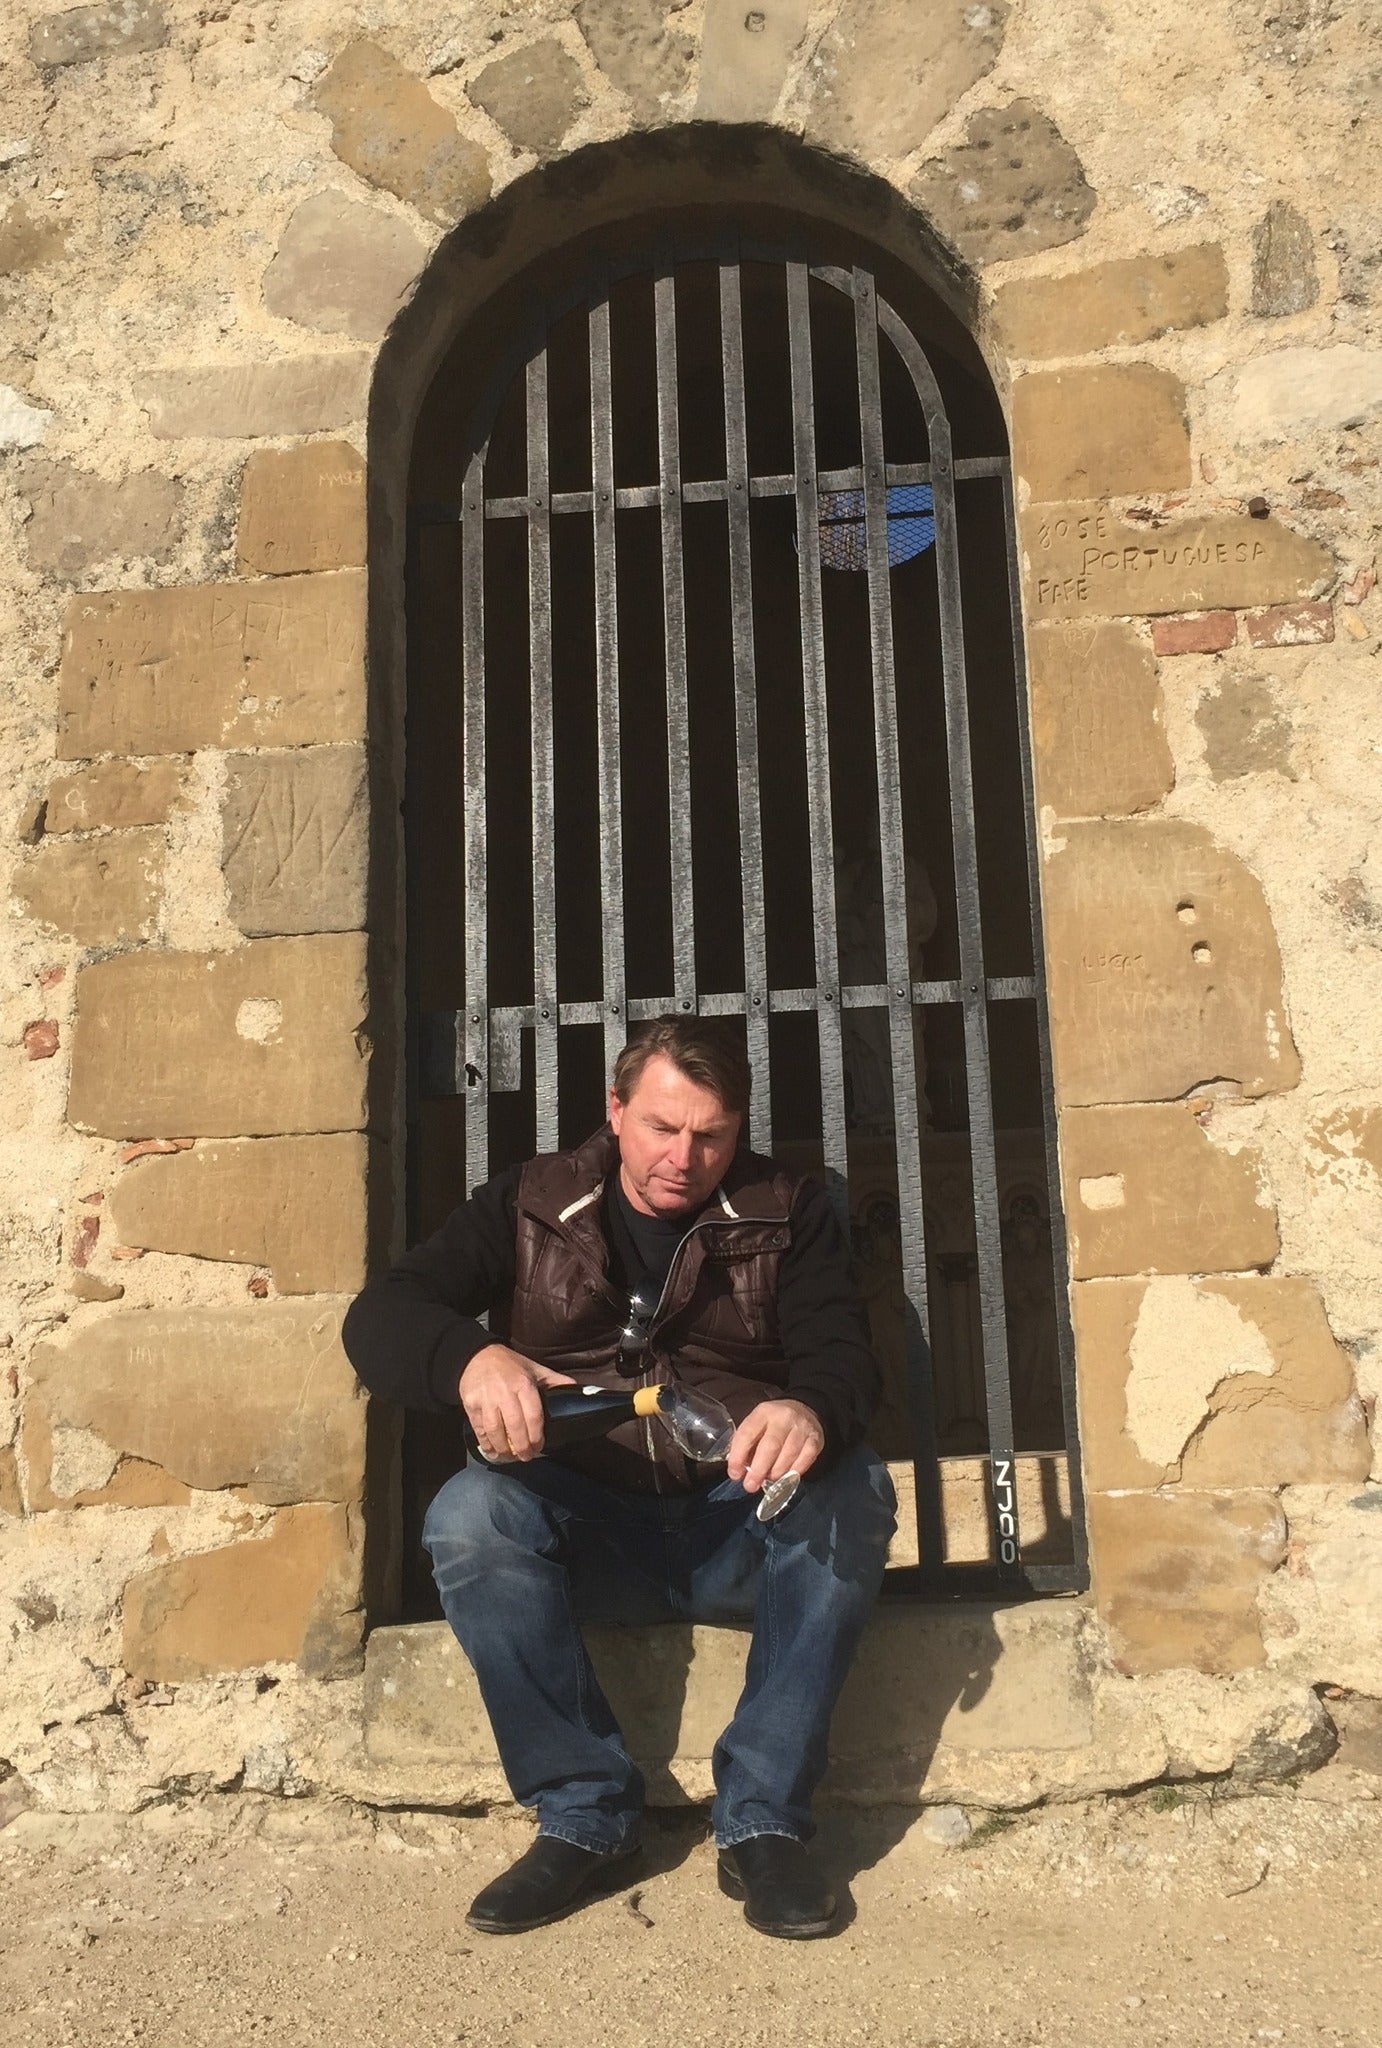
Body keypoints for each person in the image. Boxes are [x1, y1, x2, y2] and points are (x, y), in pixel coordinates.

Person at [342, 1017, 896, 1940]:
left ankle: (762, 1822)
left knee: (854, 1487)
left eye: (711, 1135)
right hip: (584, 1530)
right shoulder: (530, 1202)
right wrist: (470, 1357)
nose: (684, 1157)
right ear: (615, 1109)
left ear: (738, 1128)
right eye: (662, 1128)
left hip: (735, 1524)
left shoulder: (786, 1207)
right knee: (468, 1517)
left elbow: (844, 1355)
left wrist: (810, 1410)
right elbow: (382, 1313)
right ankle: (583, 1817)